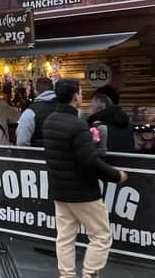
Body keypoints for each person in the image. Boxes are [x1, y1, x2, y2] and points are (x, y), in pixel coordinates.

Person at [42, 78, 127, 278]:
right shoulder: (77, 125)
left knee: (64, 237)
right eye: (80, 92)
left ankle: (67, 275)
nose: (82, 96)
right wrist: (116, 175)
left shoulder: (49, 121)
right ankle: (89, 274)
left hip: (59, 191)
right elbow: (89, 162)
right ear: (75, 97)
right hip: (83, 192)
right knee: (101, 236)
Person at [16, 77, 57, 147]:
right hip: (62, 156)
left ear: (35, 91)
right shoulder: (64, 107)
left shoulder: (30, 112)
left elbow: (22, 142)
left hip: (38, 155)